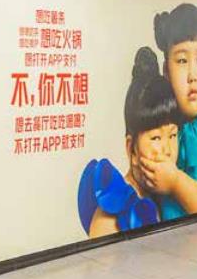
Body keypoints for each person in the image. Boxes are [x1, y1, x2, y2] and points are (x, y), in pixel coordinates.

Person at [77, 47, 184, 237]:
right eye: (156, 138)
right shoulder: (108, 219)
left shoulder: (170, 197)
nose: (168, 150)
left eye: (173, 135)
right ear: (131, 149)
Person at [140, 3, 197, 221]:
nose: (193, 75)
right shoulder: (160, 124)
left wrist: (174, 182)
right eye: (181, 61)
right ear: (166, 71)